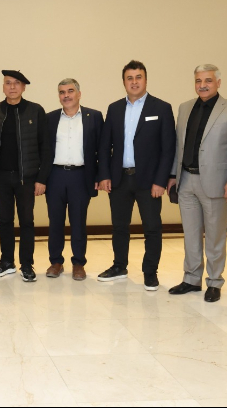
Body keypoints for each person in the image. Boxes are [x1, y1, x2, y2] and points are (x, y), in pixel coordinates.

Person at [167, 65, 227, 303]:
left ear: (218, 83)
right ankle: (192, 279)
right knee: (190, 235)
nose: (202, 85)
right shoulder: (184, 108)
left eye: (208, 80)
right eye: (198, 81)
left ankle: (214, 281)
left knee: (214, 236)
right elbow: (178, 145)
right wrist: (173, 175)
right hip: (186, 180)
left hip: (217, 183)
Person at [97, 60, 175, 291]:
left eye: (138, 77)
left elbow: (168, 149)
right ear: (124, 82)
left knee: (152, 227)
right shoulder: (114, 108)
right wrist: (104, 175)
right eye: (129, 78)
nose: (134, 82)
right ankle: (119, 266)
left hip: (149, 182)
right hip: (119, 179)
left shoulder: (161, 108)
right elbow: (105, 146)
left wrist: (160, 181)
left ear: (145, 80)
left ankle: (150, 272)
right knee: (119, 226)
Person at [0, 70, 52, 283]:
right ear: (3, 87)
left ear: (23, 87)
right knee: (4, 221)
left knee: (27, 221)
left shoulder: (35, 110)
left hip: (27, 178)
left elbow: (46, 147)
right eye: (8, 83)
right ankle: (7, 261)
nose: (12, 87)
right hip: (1, 178)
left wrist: (42, 178)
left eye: (16, 83)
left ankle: (26, 264)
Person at [44, 78, 103, 281]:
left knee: (78, 222)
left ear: (79, 94)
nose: (66, 95)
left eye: (70, 91)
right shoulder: (50, 118)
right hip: (55, 176)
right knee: (55, 221)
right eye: (62, 92)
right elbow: (44, 151)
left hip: (81, 176)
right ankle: (56, 262)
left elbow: (102, 149)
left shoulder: (94, 117)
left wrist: (99, 176)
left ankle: (78, 263)